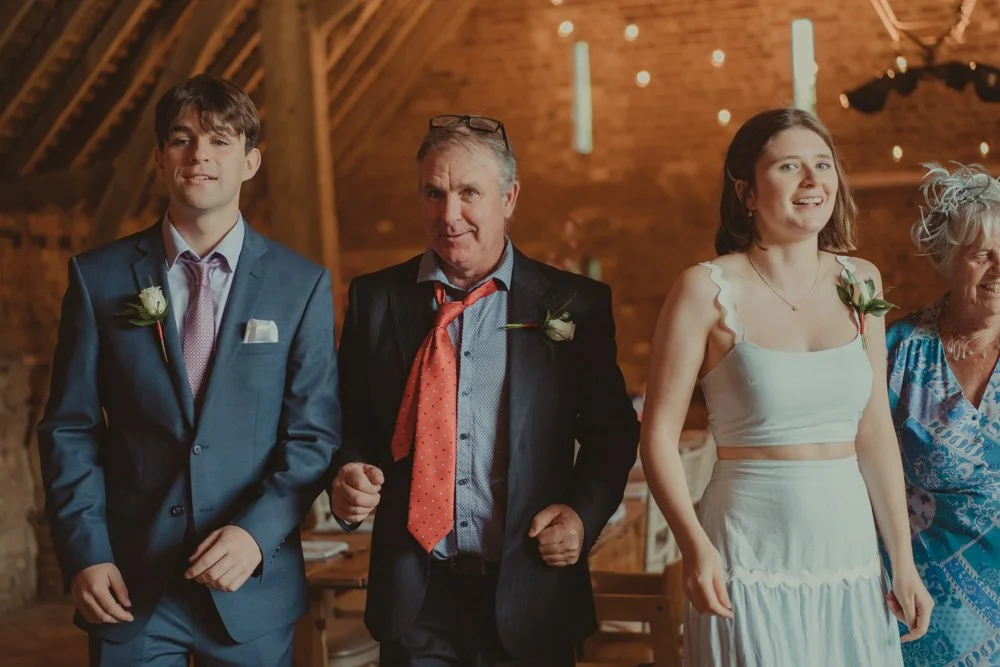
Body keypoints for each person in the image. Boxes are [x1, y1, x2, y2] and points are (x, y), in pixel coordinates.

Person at [37, 73, 340, 666]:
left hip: (251, 586)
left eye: (220, 141)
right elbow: (69, 429)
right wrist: (86, 553)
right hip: (129, 585)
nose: (199, 155)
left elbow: (312, 438)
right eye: (181, 139)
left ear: (251, 162)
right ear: (159, 158)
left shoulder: (299, 286)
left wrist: (256, 533)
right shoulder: (97, 278)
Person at [327, 114, 640, 666]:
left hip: (530, 589)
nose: (449, 215)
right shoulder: (376, 300)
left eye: (469, 192)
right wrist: (348, 471)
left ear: (509, 197)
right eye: (434, 192)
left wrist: (580, 513)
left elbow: (611, 433)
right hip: (414, 596)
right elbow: (347, 421)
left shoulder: (573, 304)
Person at [638, 107, 933, 666]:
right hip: (743, 553)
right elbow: (658, 439)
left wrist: (902, 560)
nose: (812, 180)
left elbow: (873, 431)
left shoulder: (860, 280)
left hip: (848, 551)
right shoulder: (703, 290)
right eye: (790, 166)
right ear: (746, 193)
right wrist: (694, 548)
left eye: (823, 165)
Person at [886, 162, 1000, 667]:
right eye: (982, 256)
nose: (998, 270)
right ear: (949, 259)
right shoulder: (897, 349)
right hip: (932, 602)